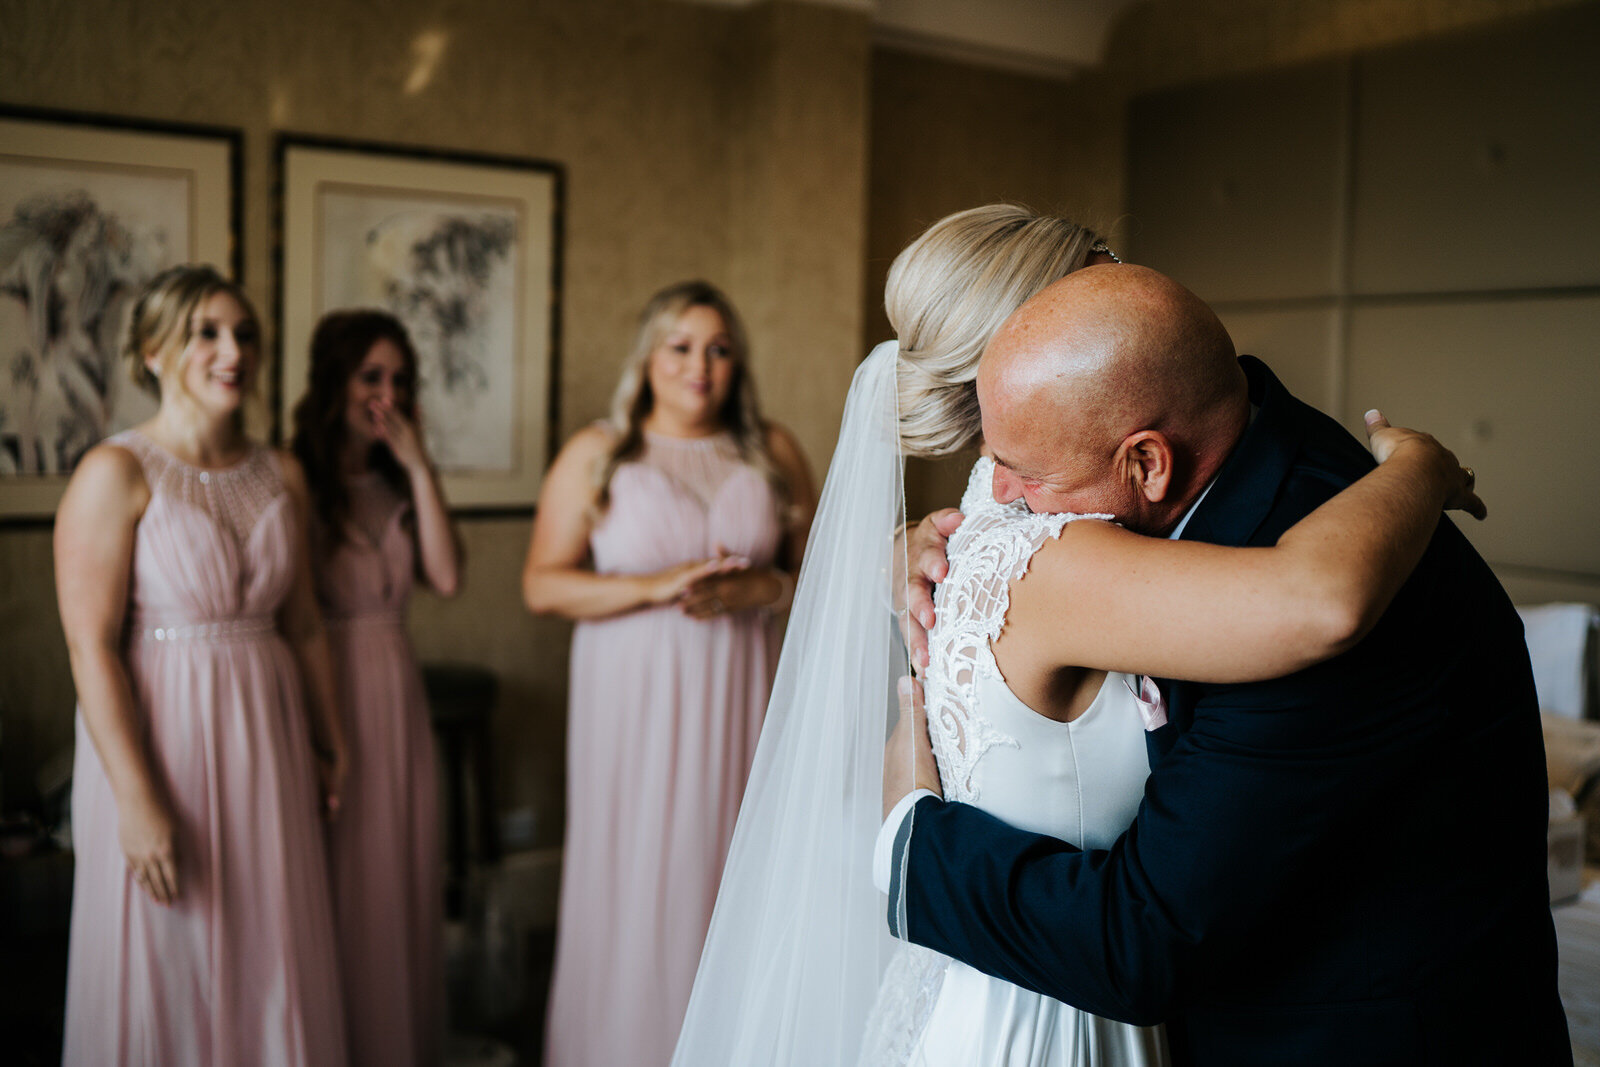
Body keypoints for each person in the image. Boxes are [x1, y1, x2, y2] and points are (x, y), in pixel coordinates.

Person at [670, 206, 1487, 1067]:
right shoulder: (1049, 530)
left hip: (1008, 977)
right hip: (1053, 983)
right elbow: (1320, 595)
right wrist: (1421, 467)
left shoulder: (1010, 496)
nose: (1013, 490)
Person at [884, 263, 1570, 1066]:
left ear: (1147, 463)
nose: (1001, 502)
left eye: (1026, 478)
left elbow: (1144, 937)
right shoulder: (1226, 433)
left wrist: (905, 845)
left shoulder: (1306, 571)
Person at [55, 264, 347, 1065]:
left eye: (245, 334)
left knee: (267, 935)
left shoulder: (281, 471)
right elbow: (90, 645)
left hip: (270, 735)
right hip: (164, 738)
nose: (233, 351)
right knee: (171, 945)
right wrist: (137, 798)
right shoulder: (113, 473)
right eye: (206, 333)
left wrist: (332, 737)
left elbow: (308, 624)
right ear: (153, 350)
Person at [523, 280, 817, 1067]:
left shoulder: (775, 452)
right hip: (631, 691)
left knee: (729, 864)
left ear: (738, 363)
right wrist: (649, 586)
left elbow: (825, 580)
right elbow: (542, 583)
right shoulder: (599, 454)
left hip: (740, 689)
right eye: (680, 346)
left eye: (719, 349)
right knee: (637, 871)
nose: (700, 366)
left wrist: (766, 588)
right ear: (648, 358)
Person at [290, 309, 462, 1067]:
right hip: (323, 691)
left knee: (399, 876)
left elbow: (448, 577)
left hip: (396, 687)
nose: (386, 394)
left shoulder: (399, 480)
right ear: (335, 381)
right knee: (339, 882)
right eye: (371, 377)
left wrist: (420, 466)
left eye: (399, 379)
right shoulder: (291, 475)